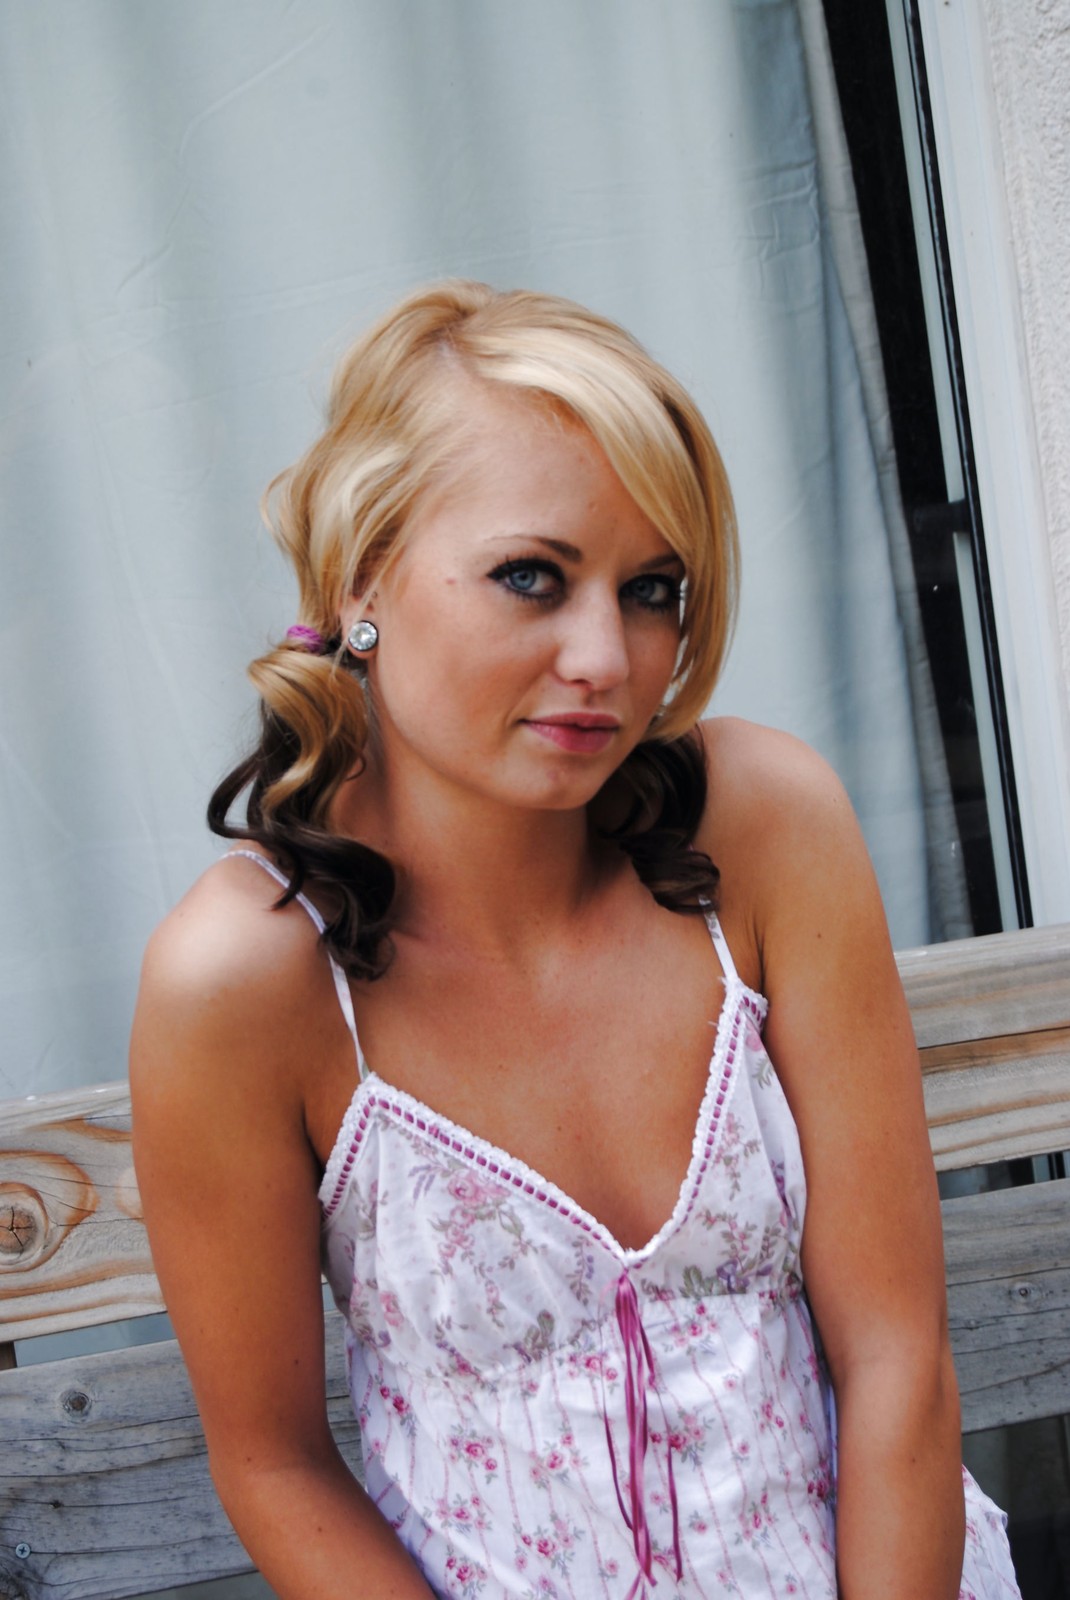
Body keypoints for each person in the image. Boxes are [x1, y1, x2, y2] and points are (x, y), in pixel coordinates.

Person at [130, 281, 1019, 1600]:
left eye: (650, 589)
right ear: (360, 574)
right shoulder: (251, 978)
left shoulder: (763, 831)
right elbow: (274, 1465)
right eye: (530, 577)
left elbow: (895, 1355)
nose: (606, 656)